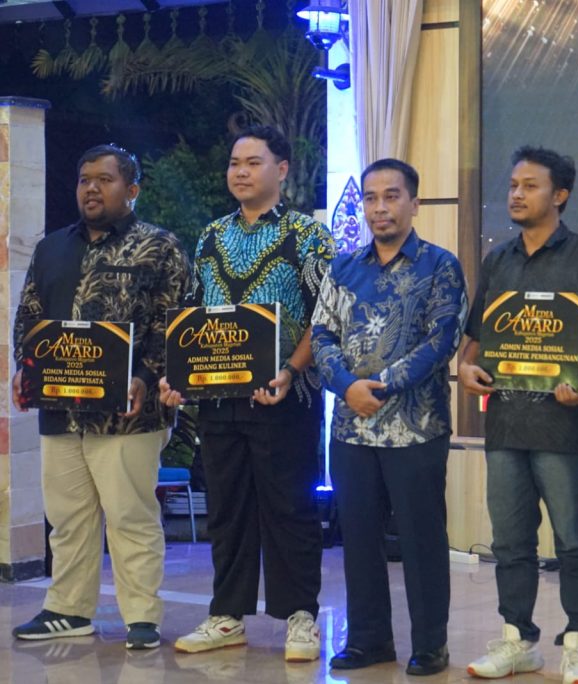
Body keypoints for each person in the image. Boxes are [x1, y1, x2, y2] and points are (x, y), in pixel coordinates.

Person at [160, 125, 335, 662]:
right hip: (219, 401)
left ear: (281, 169)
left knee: (291, 509)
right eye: (235, 163)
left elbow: (325, 317)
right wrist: (177, 375)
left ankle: (300, 616)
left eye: (253, 162)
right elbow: (196, 313)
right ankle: (227, 615)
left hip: (287, 397)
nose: (240, 172)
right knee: (227, 510)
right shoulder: (211, 236)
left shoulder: (309, 235)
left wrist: (289, 369)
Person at [459, 146, 578, 684]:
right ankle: (518, 639)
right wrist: (464, 368)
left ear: (560, 195)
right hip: (506, 422)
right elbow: (476, 338)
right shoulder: (498, 260)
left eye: (529, 186)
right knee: (510, 541)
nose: (515, 194)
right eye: (513, 185)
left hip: (565, 424)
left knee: (573, 539)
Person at [11, 144, 191, 649]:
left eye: (105, 180)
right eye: (84, 179)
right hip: (60, 408)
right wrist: (24, 368)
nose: (91, 188)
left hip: (128, 414)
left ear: (131, 190)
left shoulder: (160, 247)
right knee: (67, 518)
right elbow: (29, 316)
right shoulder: (51, 248)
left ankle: (142, 617)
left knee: (131, 516)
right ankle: (68, 610)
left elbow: (175, 323)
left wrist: (147, 374)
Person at [310, 158, 466, 676]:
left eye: (392, 196)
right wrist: (347, 387)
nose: (380, 207)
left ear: (414, 203)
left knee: (421, 541)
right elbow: (321, 335)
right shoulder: (343, 267)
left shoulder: (440, 266)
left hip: (416, 429)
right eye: (371, 198)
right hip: (350, 428)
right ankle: (369, 640)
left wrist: (381, 385)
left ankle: (431, 644)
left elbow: (442, 340)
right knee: (358, 539)